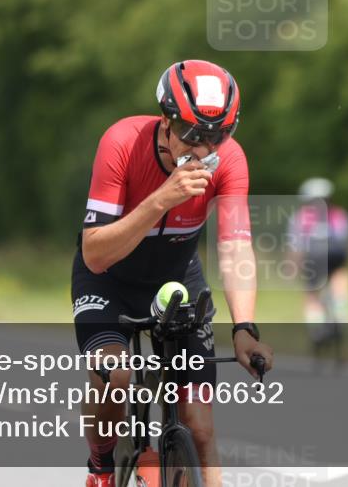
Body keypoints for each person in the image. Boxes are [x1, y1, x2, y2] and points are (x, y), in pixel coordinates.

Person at [72, 59, 275, 487]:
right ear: (166, 121)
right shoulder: (122, 142)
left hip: (177, 279)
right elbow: (94, 253)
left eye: (218, 135)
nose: (204, 149)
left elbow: (235, 245)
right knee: (117, 374)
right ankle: (101, 468)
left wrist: (245, 326)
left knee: (199, 427)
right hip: (110, 279)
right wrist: (160, 200)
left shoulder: (231, 161)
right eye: (193, 134)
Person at [288, 177, 348, 354]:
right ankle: (341, 314)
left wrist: (294, 267)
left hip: (313, 256)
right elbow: (345, 240)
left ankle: (316, 328)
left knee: (312, 295)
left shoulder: (301, 217)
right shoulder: (339, 214)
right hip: (336, 254)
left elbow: (297, 246)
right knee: (340, 279)